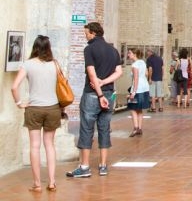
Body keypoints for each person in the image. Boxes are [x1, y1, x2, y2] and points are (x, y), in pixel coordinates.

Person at [67, 22, 122, 178]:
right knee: (104, 128)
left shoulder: (89, 49)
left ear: (93, 33)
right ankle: (103, 165)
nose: (86, 36)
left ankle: (84, 167)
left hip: (93, 94)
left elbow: (91, 74)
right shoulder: (113, 50)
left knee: (87, 128)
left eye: (86, 34)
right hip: (110, 93)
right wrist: (105, 83)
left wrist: (99, 93)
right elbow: (118, 72)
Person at [10, 35, 62, 192]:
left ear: (35, 47)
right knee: (50, 145)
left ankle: (37, 184)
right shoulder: (55, 64)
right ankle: (52, 182)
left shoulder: (27, 64)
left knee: (34, 146)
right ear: (48, 47)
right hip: (53, 108)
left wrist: (19, 103)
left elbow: (14, 87)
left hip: (34, 108)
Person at [126, 48, 150, 137]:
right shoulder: (143, 62)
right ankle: (139, 128)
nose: (128, 55)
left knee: (132, 108)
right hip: (145, 87)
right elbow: (146, 74)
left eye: (129, 53)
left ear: (135, 54)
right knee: (139, 109)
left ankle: (135, 128)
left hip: (138, 89)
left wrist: (133, 92)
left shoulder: (135, 65)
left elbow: (136, 79)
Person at [145, 48, 164, 113]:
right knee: (159, 94)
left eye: (147, 51)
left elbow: (150, 69)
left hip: (153, 78)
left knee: (152, 94)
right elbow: (162, 69)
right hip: (159, 78)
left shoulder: (149, 59)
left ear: (150, 52)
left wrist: (149, 78)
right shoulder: (160, 58)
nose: (147, 53)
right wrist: (161, 77)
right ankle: (161, 107)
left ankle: (153, 108)